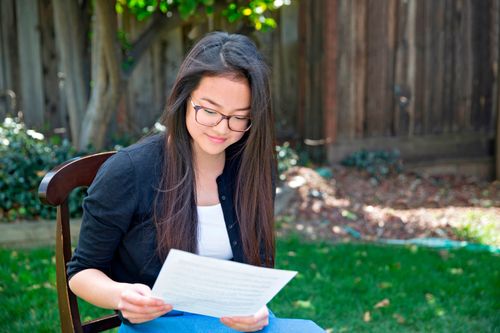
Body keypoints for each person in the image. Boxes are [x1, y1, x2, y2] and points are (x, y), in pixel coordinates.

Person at [66, 31, 276, 332]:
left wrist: (258, 308)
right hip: (157, 324)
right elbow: (82, 273)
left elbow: (256, 269)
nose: (221, 128)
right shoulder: (129, 172)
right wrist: (123, 296)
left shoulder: (252, 166)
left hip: (235, 324)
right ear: (184, 98)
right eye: (209, 111)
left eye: (239, 117)